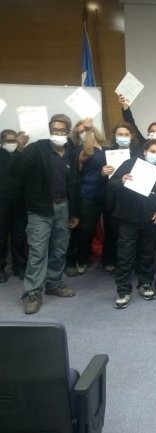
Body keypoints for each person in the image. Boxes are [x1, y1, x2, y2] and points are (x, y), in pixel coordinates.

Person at [19, 114, 80, 314]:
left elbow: (75, 184)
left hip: (64, 207)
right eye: (55, 130)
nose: (58, 133)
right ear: (49, 130)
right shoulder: (36, 149)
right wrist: (19, 149)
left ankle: (53, 283)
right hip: (40, 209)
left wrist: (75, 213)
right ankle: (33, 292)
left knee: (60, 249)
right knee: (38, 251)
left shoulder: (71, 151)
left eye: (62, 130)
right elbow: (19, 172)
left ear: (68, 132)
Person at [108, 140, 156, 309]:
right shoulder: (130, 163)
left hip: (150, 220)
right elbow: (112, 184)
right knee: (125, 255)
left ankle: (145, 283)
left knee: (147, 254)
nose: (155, 155)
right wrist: (121, 180)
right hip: (128, 218)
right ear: (145, 151)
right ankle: (123, 290)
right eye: (153, 151)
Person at [64, 118, 116, 276]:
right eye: (81, 132)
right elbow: (88, 152)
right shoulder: (79, 150)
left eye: (87, 130)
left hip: (109, 194)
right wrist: (87, 130)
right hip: (89, 194)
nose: (85, 133)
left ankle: (108, 260)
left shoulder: (108, 148)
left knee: (111, 228)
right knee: (86, 230)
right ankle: (81, 259)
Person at [0, 129, 29, 281]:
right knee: (1, 236)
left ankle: (20, 266)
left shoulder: (22, 154)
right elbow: (10, 167)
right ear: (2, 142)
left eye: (14, 141)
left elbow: (24, 172)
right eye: (9, 141)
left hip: (19, 202)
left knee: (19, 236)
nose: (12, 143)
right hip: (2, 202)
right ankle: (1, 268)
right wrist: (19, 149)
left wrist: (20, 149)